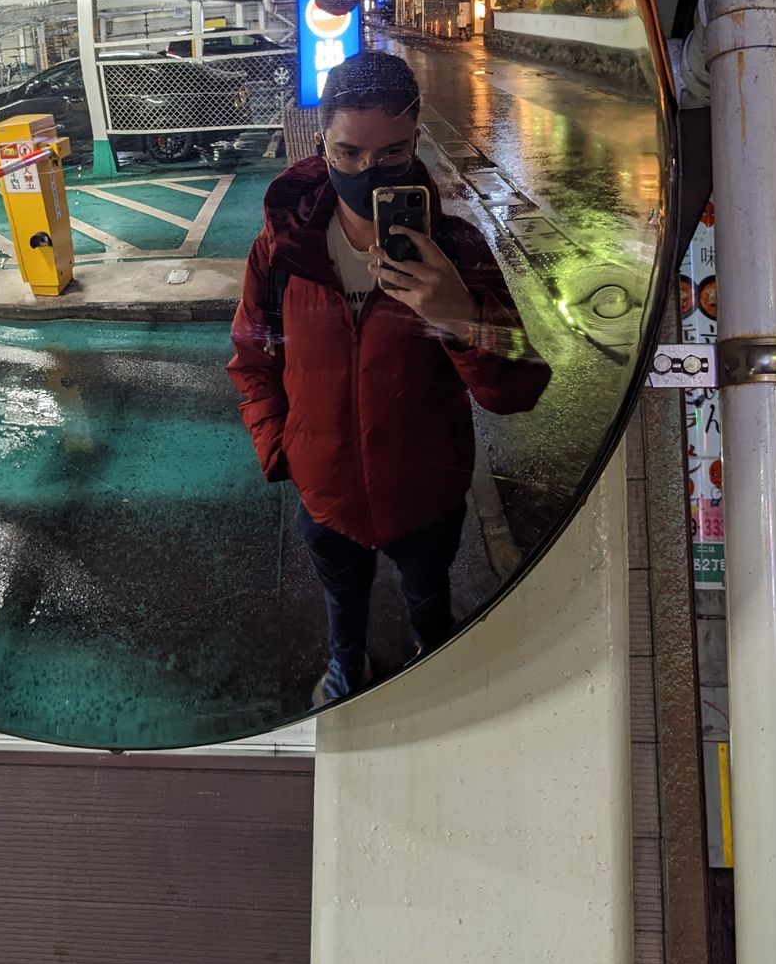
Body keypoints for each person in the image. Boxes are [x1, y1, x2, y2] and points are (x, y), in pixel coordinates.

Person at [228, 50, 550, 706]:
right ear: (321, 141)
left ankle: (436, 660)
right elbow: (252, 359)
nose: (367, 172)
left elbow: (519, 387)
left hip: (426, 497)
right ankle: (347, 668)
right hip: (325, 495)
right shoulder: (282, 252)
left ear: (416, 140)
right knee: (342, 604)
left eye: (392, 153)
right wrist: (281, 449)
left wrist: (461, 318)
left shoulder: (456, 249)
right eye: (348, 153)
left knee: (430, 599)